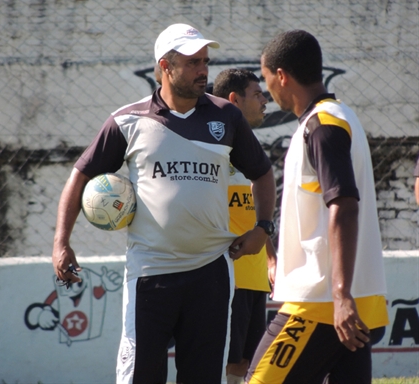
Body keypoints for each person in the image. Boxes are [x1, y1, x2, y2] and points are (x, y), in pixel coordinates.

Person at [52, 23, 277, 384]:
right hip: (150, 273)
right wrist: (61, 242)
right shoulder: (127, 120)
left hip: (211, 273)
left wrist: (262, 230)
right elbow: (80, 175)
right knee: (139, 377)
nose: (203, 70)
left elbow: (263, 174)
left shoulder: (227, 116)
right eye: (191, 62)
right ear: (165, 66)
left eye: (205, 61)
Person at [245, 30, 389, 384]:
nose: (267, 92)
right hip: (350, 301)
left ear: (282, 75)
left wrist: (340, 295)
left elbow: (343, 205)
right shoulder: (339, 117)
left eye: (266, 80)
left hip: (322, 304)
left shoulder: (322, 126)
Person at [212, 69, 277, 384]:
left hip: (255, 275)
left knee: (245, 360)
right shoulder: (213, 151)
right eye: (257, 94)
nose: (265, 100)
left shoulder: (252, 152)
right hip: (228, 276)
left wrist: (273, 258)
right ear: (234, 100)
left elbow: (256, 215)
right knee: (223, 357)